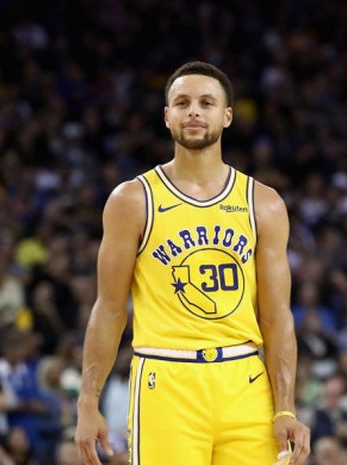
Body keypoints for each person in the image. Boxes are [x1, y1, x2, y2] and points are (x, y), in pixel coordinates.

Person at [74, 61, 310, 465]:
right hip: (167, 379)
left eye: (206, 102)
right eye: (182, 103)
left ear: (227, 115)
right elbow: (110, 308)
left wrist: (285, 407)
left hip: (245, 382)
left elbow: (276, 316)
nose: (194, 112)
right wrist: (87, 399)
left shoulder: (264, 202)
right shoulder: (132, 200)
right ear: (167, 117)